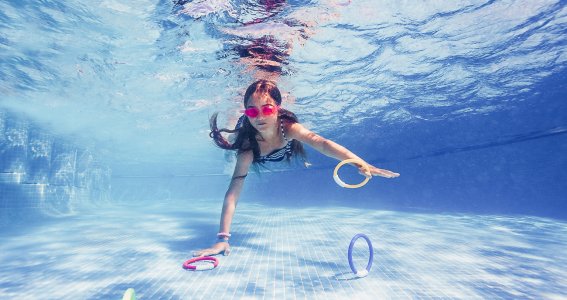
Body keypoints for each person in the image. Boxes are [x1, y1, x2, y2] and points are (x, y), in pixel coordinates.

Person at [193, 80, 399, 257]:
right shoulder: (247, 148)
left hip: (283, 150)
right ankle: (235, 125)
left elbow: (322, 143)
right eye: (252, 111)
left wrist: (360, 163)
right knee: (232, 151)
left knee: (296, 150)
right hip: (256, 150)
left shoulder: (289, 127)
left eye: (267, 109)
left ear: (278, 109)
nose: (260, 117)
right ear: (246, 113)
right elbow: (233, 192)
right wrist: (222, 238)